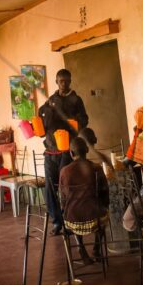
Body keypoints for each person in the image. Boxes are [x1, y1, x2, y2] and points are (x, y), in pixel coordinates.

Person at [39, 68, 89, 235]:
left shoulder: (76, 100)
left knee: (65, 186)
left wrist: (74, 122)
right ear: (56, 81)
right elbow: (41, 120)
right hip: (51, 149)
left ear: (70, 81)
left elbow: (85, 120)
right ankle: (57, 221)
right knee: (49, 188)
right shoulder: (51, 101)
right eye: (61, 81)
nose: (64, 84)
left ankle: (68, 220)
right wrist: (41, 118)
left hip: (67, 149)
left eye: (67, 81)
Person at [59, 137, 109, 265]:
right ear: (87, 150)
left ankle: (81, 249)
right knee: (103, 216)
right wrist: (104, 207)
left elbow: (63, 199)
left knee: (74, 210)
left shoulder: (64, 172)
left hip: (72, 221)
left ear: (71, 153)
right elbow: (105, 194)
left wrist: (65, 211)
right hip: (95, 220)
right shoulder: (96, 168)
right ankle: (96, 250)